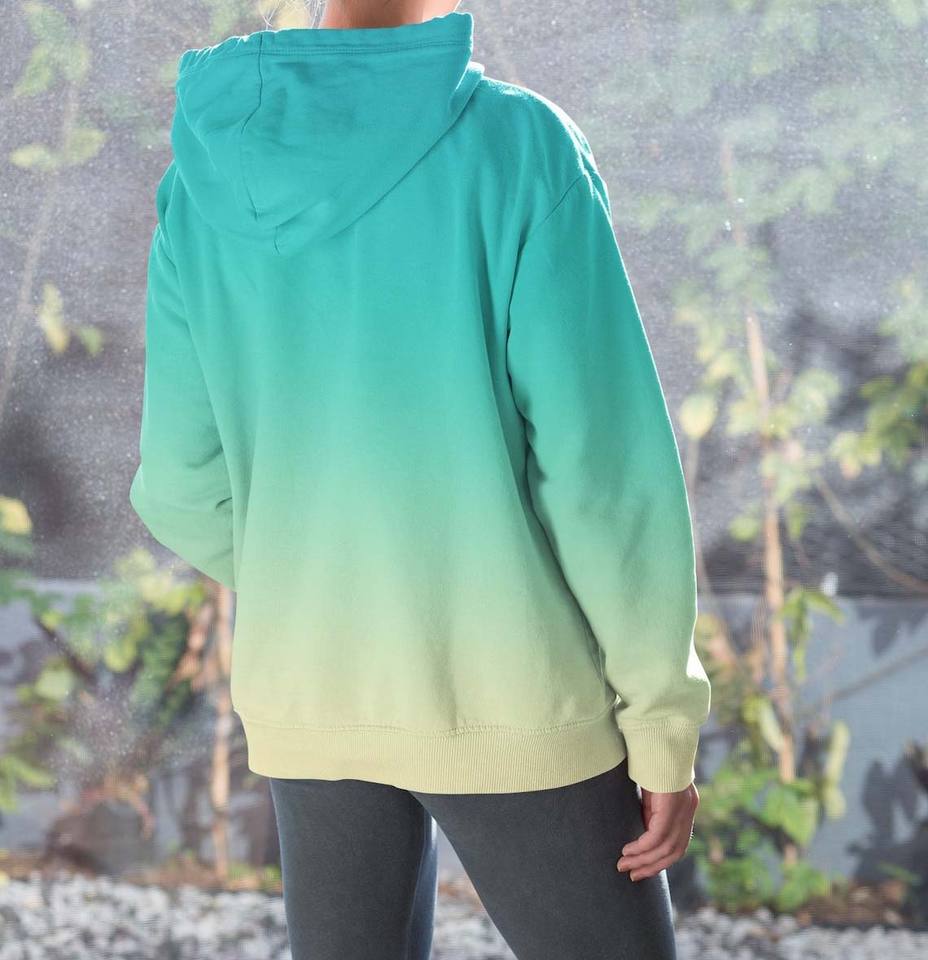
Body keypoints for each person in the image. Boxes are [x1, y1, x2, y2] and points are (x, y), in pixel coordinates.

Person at [127, 0, 712, 956]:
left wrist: (327, 587)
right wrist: (661, 723)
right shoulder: (520, 147)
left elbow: (182, 485)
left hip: (310, 690)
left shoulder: (200, 182)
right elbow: (603, 477)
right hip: (512, 688)